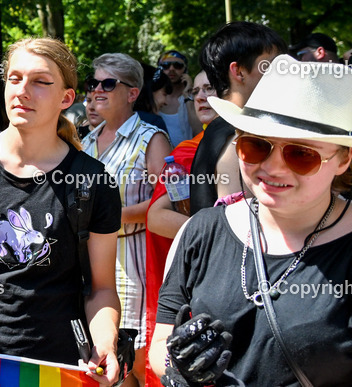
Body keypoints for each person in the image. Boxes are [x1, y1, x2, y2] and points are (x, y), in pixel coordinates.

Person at [0, 38, 122, 386]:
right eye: (14, 78)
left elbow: (102, 288)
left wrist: (105, 339)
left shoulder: (94, 182)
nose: (23, 91)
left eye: (40, 81)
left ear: (66, 98)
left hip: (58, 368)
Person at [151, 55, 352, 386]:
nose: (273, 168)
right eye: (256, 146)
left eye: (300, 154)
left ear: (343, 160)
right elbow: (162, 343)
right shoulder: (204, 230)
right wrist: (182, 364)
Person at [81, 53, 171, 386]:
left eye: (108, 84)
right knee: (101, 365)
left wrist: (108, 219)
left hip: (132, 262)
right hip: (88, 263)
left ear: (133, 93)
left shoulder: (152, 139)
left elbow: (165, 205)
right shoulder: (84, 142)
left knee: (136, 364)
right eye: (93, 83)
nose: (97, 91)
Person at [142, 71, 218, 386]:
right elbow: (156, 217)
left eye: (210, 88)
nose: (200, 96)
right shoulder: (186, 152)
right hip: (202, 280)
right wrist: (221, 236)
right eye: (196, 90)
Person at [189, 22, 286, 215]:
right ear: (239, 72)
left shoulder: (225, 130)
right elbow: (244, 231)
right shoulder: (235, 139)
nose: (285, 72)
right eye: (273, 64)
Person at [155, 51, 200, 146]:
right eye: (166, 65)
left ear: (185, 69)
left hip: (188, 155)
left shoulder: (196, 97)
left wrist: (188, 96)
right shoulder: (153, 97)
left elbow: (199, 131)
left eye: (177, 65)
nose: (171, 69)